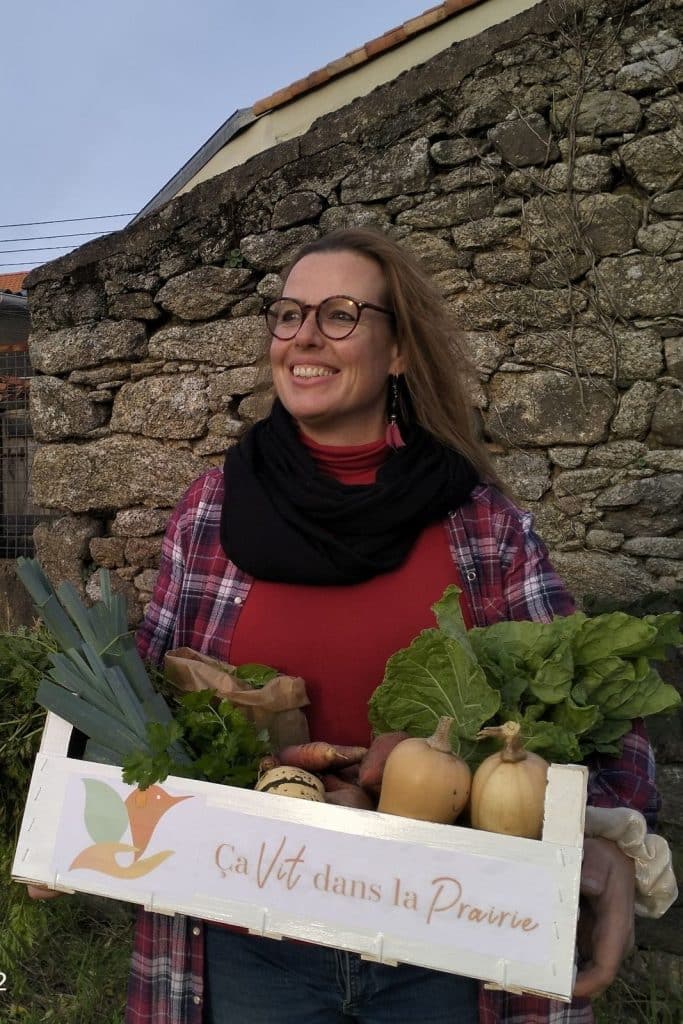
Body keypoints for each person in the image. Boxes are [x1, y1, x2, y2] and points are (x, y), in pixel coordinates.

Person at [32, 228, 657, 1023]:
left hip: (447, 929)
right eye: (288, 315)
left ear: (397, 351)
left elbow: (597, 702)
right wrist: (73, 810)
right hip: (243, 928)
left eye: (338, 315)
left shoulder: (478, 521)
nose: (302, 338)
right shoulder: (212, 509)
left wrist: (607, 835)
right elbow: (148, 687)